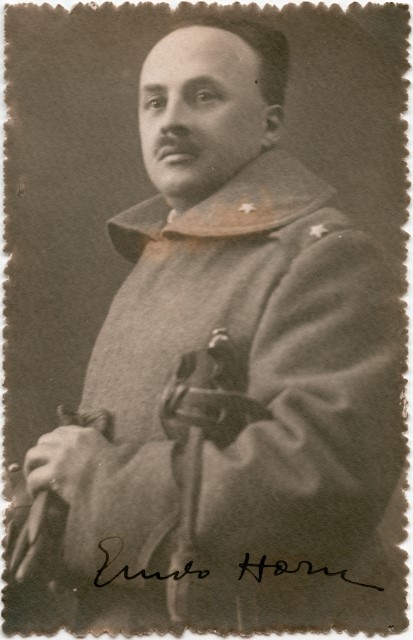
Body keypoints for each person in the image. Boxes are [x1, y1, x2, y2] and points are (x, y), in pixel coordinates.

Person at [18, 15, 403, 634]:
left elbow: (323, 483)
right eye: (154, 101)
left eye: (203, 96)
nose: (170, 120)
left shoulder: (323, 257)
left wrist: (95, 478)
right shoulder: (162, 252)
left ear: (270, 124)